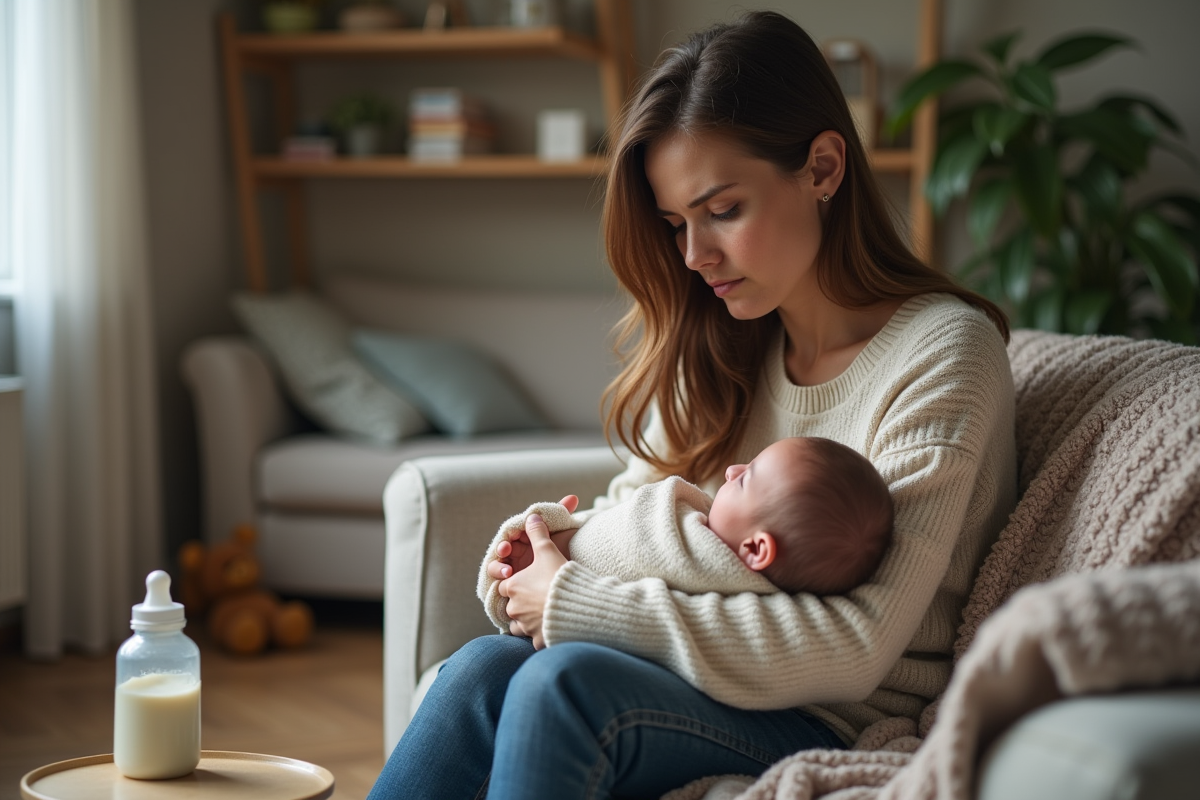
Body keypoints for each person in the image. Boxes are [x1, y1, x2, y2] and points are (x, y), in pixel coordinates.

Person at [367, 9, 1016, 800]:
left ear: (822, 168)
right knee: (478, 670)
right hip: (688, 677)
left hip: (825, 713)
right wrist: (543, 556)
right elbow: (629, 514)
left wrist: (571, 598)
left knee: (561, 687)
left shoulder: (943, 352)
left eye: (723, 210)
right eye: (676, 223)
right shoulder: (722, 339)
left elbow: (856, 647)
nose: (693, 255)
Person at [478, 437, 895, 635]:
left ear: (755, 548)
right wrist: (565, 529)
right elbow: (617, 523)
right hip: (547, 593)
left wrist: (557, 554)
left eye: (746, 479)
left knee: (486, 667)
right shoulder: (696, 524)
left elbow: (630, 554)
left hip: (567, 629)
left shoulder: (700, 564)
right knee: (474, 667)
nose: (732, 471)